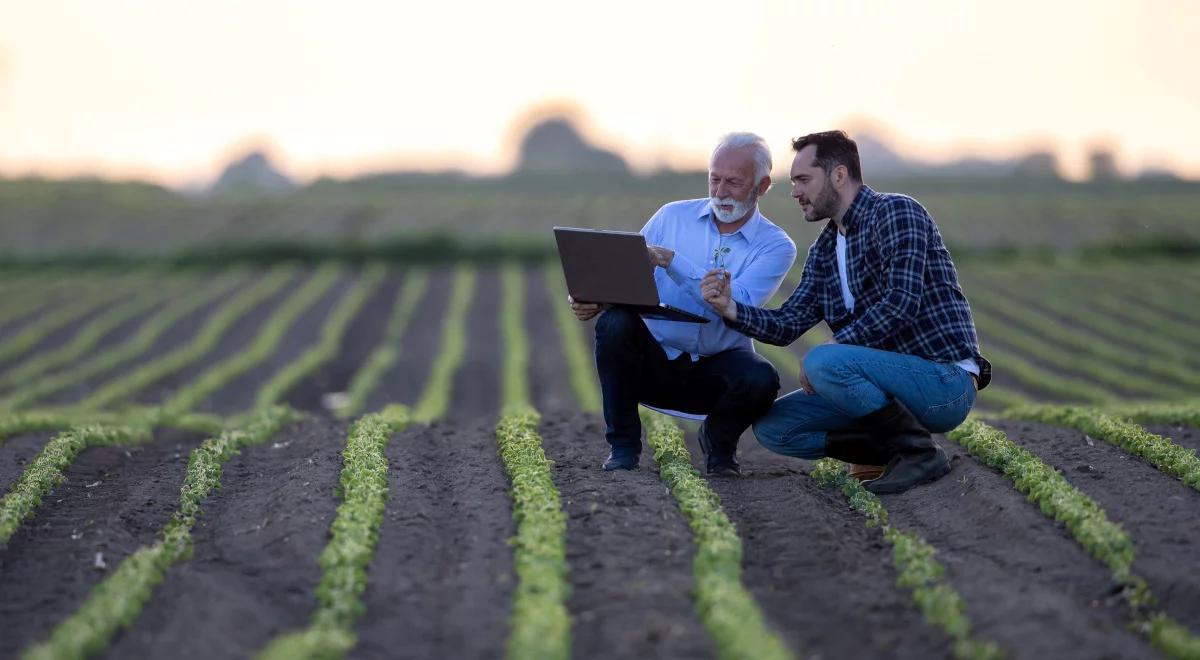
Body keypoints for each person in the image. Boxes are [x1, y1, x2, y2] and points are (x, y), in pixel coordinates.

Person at [701, 130, 992, 494]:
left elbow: (901, 303)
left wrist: (834, 348)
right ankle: (885, 453)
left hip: (941, 381)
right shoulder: (824, 250)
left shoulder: (896, 212)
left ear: (839, 175)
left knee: (826, 360)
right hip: (879, 386)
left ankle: (919, 454)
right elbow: (788, 323)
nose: (795, 192)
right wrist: (730, 308)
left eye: (804, 180)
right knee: (775, 428)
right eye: (793, 182)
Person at [569, 132, 797, 475]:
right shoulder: (670, 217)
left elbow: (740, 304)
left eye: (733, 183)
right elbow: (626, 272)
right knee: (614, 324)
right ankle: (623, 448)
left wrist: (673, 261)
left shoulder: (776, 246)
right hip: (654, 362)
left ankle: (719, 446)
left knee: (761, 377)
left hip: (715, 368)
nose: (720, 192)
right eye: (714, 180)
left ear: (763, 186)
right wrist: (591, 299)